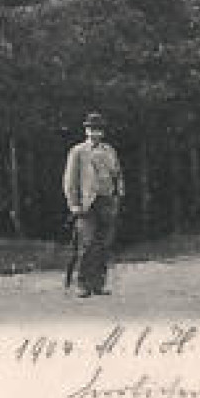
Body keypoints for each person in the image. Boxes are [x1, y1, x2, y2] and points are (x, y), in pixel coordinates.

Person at [62, 112, 124, 298]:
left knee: (104, 244)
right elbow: (70, 180)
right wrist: (73, 204)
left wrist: (118, 193)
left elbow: (118, 173)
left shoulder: (109, 150)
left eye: (98, 130)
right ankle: (82, 284)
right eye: (91, 129)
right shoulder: (78, 151)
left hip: (107, 202)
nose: (94, 133)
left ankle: (99, 284)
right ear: (86, 130)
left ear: (102, 132)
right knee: (87, 244)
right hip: (87, 203)